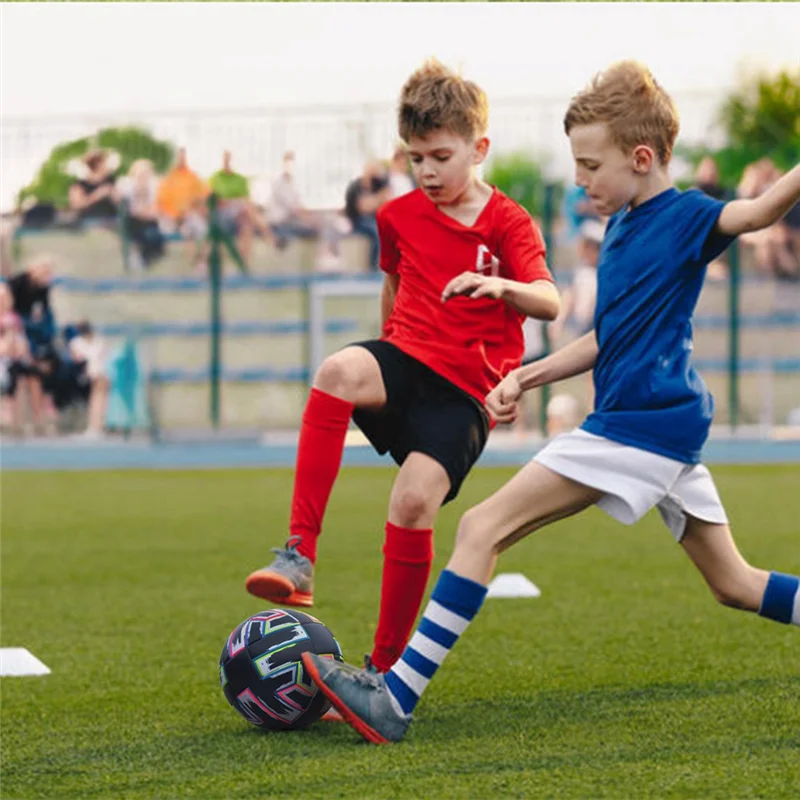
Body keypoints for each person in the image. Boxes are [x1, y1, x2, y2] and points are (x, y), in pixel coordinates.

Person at [300, 61, 800, 745]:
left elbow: (761, 210)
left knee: (481, 527)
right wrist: (526, 378)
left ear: (641, 158)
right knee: (734, 584)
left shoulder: (688, 217)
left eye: (590, 166)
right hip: (662, 430)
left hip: (637, 429)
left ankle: (395, 697)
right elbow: (607, 338)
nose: (579, 180)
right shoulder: (621, 228)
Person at [245, 59, 559, 687]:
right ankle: (299, 556)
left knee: (414, 503)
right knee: (338, 370)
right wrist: (386, 350)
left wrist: (502, 286)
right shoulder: (397, 216)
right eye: (416, 158)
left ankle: (382, 674)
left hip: (465, 394)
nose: (427, 171)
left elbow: (550, 300)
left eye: (441, 156)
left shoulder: (509, 222)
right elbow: (393, 285)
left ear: (479, 149)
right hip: (407, 360)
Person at [344, 159, 391, 271]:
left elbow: (386, 200)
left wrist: (373, 201)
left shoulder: (378, 184)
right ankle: (373, 265)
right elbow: (363, 208)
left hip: (375, 218)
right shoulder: (355, 186)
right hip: (358, 221)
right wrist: (377, 200)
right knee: (377, 231)